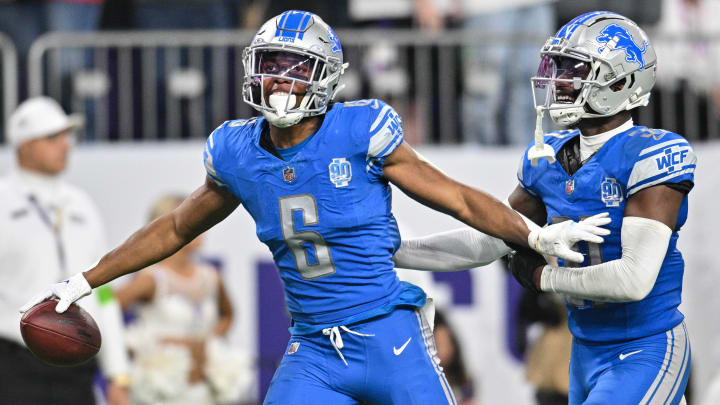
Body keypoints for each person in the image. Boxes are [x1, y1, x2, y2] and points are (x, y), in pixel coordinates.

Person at [21, 11, 609, 404]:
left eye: (294, 69)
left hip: (389, 335)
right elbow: (174, 227)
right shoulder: (238, 153)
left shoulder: (359, 132)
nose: (278, 81)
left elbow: (453, 194)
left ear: (325, 78)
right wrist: (83, 281)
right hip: (313, 350)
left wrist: (533, 236)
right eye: (271, 66)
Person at [395, 10, 695, 405]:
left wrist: (541, 279)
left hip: (646, 347)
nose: (560, 81)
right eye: (559, 68)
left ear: (620, 81)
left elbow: (633, 280)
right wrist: (392, 251)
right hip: (583, 349)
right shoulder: (548, 157)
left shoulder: (652, 153)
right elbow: (491, 240)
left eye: (575, 70)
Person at [0, 96, 130, 405]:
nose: (66, 145)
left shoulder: (82, 204)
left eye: (66, 136)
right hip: (13, 364)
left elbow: (104, 293)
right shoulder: (3, 201)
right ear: (24, 145)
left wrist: (118, 374)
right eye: (52, 137)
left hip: (77, 365)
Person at [115, 193, 250, 405]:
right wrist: (141, 345)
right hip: (160, 391)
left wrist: (210, 342)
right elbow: (106, 307)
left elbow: (228, 315)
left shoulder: (210, 276)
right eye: (196, 218)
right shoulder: (151, 278)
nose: (203, 225)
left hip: (204, 390)